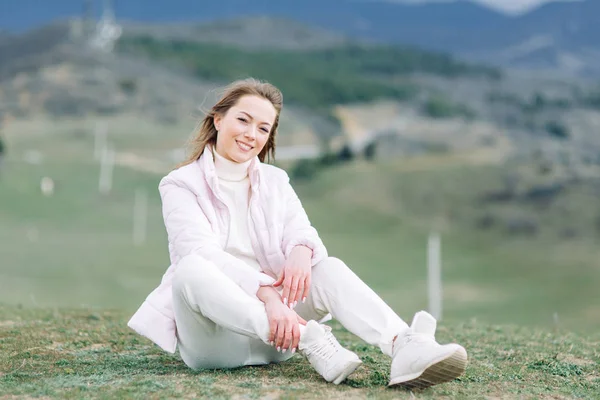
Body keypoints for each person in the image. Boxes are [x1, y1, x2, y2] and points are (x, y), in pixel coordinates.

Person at [128, 78, 468, 388]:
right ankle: (312, 339)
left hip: (279, 339)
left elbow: (301, 230)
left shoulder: (276, 182)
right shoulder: (180, 184)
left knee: (328, 266)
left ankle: (404, 346)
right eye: (243, 120)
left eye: (263, 128)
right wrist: (269, 296)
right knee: (191, 269)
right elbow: (198, 251)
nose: (251, 135)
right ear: (218, 120)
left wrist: (302, 249)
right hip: (216, 344)